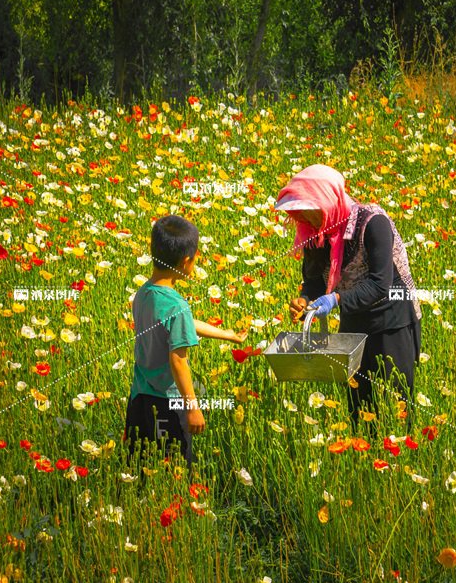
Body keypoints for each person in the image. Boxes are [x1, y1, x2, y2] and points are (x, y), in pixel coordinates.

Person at [275, 164, 422, 433]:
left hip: (392, 320)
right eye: (302, 213)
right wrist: (305, 300)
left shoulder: (373, 223)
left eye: (312, 210)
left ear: (329, 199)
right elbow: (314, 282)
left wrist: (336, 299)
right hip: (354, 323)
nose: (308, 218)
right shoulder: (313, 232)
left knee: (397, 403)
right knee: (360, 406)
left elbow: (381, 284)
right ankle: (364, 457)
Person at [124, 214, 247, 467]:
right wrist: (192, 408)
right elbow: (178, 361)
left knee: (140, 465)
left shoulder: (144, 293)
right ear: (186, 261)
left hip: (139, 399)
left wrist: (228, 335)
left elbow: (179, 324)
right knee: (174, 468)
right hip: (168, 403)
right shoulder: (177, 305)